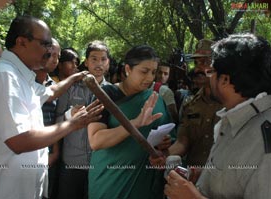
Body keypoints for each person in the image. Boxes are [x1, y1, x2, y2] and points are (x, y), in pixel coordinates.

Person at [0, 15, 103, 199]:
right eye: (45, 44)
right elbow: (19, 140)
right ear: (22, 42)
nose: (49, 51)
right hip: (1, 191)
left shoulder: (21, 77)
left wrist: (74, 77)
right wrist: (72, 123)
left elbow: (49, 93)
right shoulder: (3, 76)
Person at [165, 33, 271, 199]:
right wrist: (206, 176)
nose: (205, 73)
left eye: (211, 70)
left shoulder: (265, 138)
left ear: (225, 80)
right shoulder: (234, 119)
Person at [88, 45, 173, 199]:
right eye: (144, 71)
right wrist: (135, 123)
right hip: (110, 181)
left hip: (144, 183)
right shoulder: (107, 95)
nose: (150, 78)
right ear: (128, 69)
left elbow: (169, 140)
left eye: (153, 72)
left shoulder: (156, 99)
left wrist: (164, 144)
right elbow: (95, 140)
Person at [152, 39, 222, 168]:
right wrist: (164, 156)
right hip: (194, 179)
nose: (198, 68)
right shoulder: (190, 105)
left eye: (205, 62)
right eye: (196, 63)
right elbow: (182, 142)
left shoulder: (232, 103)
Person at [56, 40, 111, 199]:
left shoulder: (114, 92)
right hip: (72, 163)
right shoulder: (71, 87)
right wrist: (69, 116)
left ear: (108, 63)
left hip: (99, 165)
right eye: (94, 59)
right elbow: (56, 122)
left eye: (103, 59)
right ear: (86, 62)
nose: (99, 63)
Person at [34, 38, 61, 199]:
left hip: (49, 152)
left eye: (58, 56)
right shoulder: (23, 81)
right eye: (51, 54)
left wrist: (55, 152)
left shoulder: (55, 85)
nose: (55, 60)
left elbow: (56, 120)